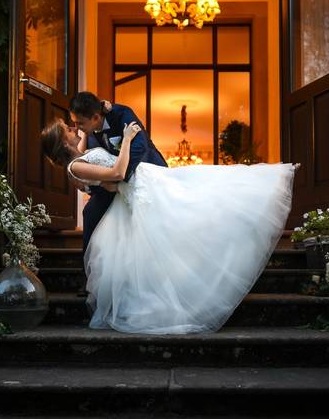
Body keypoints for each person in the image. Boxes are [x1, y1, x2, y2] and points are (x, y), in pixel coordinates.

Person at [40, 117, 296, 335]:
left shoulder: (83, 156)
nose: (74, 128)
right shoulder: (75, 166)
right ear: (63, 142)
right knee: (193, 208)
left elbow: (106, 184)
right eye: (68, 128)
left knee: (202, 194)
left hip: (147, 183)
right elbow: (117, 174)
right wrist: (127, 139)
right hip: (141, 189)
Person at [68, 92, 166, 252]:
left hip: (144, 171)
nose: (76, 128)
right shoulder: (89, 135)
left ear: (95, 118)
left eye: (80, 123)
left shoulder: (122, 114)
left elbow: (140, 147)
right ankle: (90, 264)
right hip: (113, 183)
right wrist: (97, 186)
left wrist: (118, 179)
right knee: (90, 212)